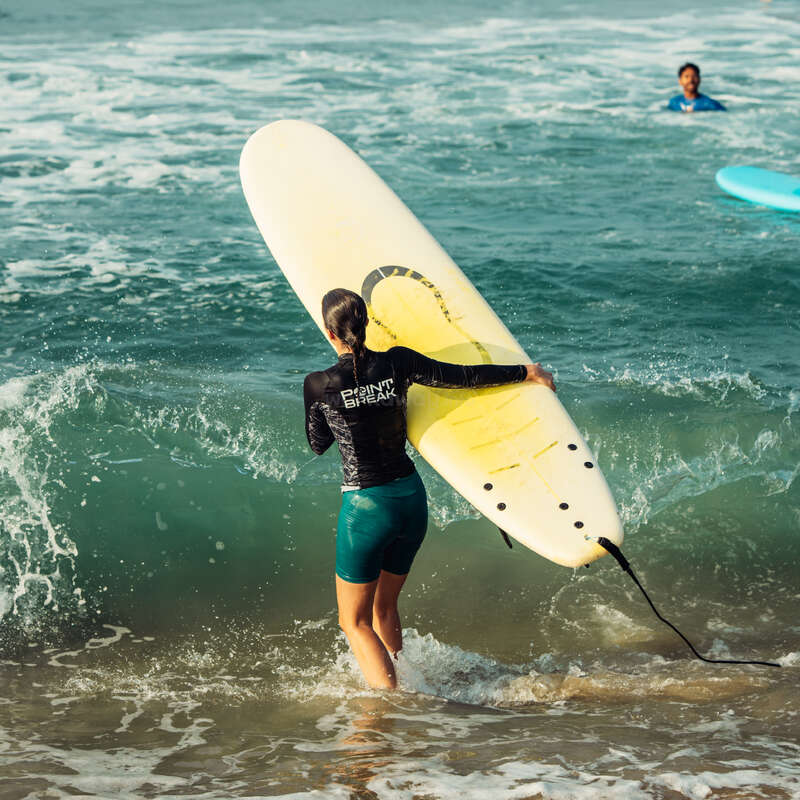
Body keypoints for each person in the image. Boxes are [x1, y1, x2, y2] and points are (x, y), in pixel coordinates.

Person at [303, 288, 556, 689]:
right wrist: (526, 372)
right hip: (410, 500)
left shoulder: (319, 384)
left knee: (353, 621)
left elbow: (317, 444)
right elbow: (462, 377)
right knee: (385, 605)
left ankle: (390, 706)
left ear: (330, 333)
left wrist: (338, 410)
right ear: (366, 325)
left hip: (366, 508)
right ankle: (402, 679)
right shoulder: (399, 362)